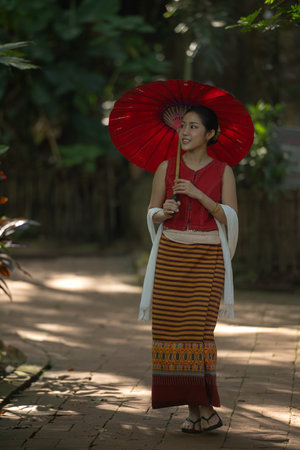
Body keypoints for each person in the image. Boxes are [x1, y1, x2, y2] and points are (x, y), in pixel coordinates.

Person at [142, 105, 238, 434]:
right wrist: (163, 212)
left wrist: (200, 196)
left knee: (197, 335)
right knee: (171, 333)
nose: (185, 132)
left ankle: (204, 408)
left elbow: (231, 217)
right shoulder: (166, 167)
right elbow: (152, 211)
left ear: (210, 134)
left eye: (194, 127)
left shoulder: (223, 170)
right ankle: (198, 412)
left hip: (207, 258)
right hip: (170, 256)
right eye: (183, 126)